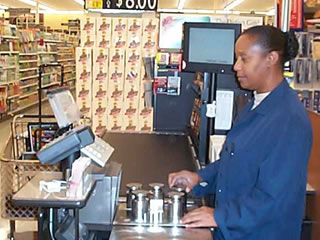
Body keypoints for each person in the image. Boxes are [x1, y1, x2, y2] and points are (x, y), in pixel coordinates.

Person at [168, 25, 313, 240]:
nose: (236, 66)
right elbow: (233, 160)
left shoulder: (288, 119)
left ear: (271, 59)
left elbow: (274, 198)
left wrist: (220, 216)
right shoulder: (254, 105)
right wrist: (199, 178)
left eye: (244, 59)